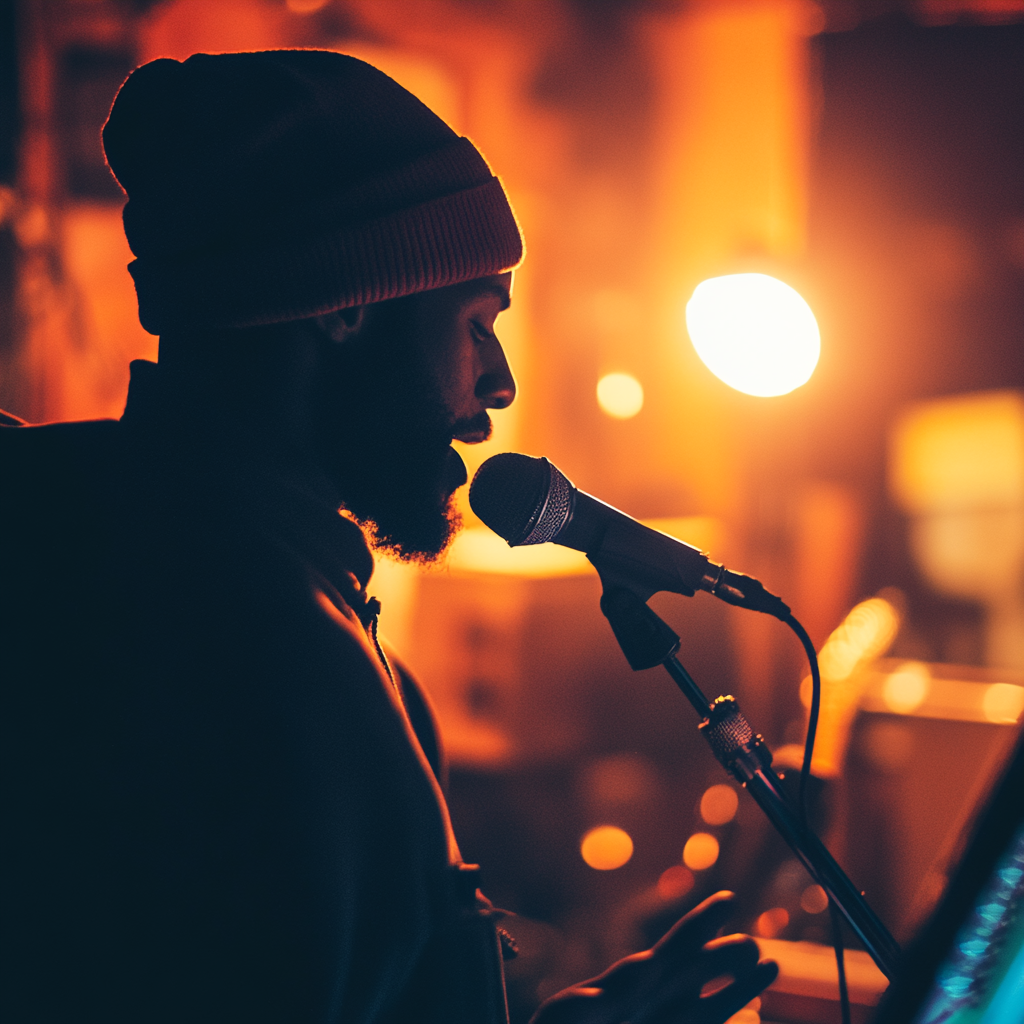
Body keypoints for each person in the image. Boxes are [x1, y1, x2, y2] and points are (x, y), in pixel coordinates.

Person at [0, 50, 777, 1023]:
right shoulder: (276, 652)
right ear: (343, 306)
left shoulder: (73, 517)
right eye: (474, 321)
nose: (496, 385)